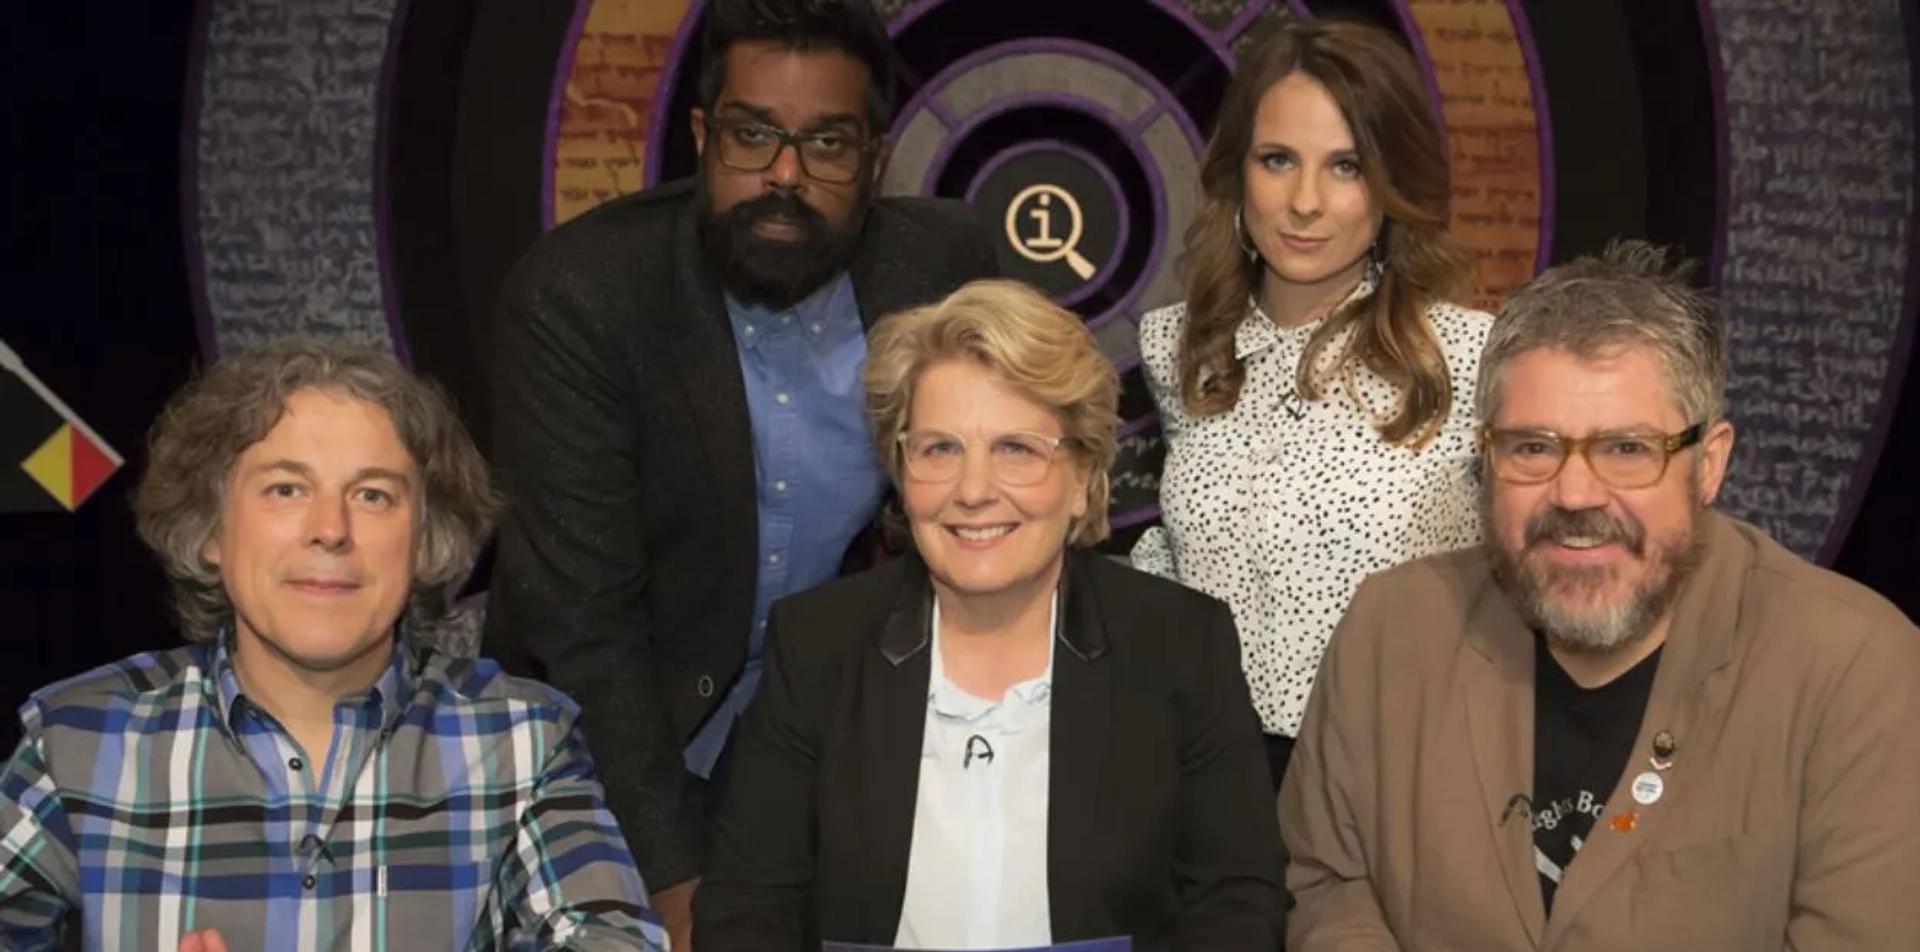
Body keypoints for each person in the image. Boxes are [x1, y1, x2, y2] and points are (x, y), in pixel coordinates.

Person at [480, 0, 999, 945]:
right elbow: (585, 629)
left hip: (832, 747)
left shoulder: (947, 266)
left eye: (827, 145)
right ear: (700, 138)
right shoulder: (583, 300)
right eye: (753, 136)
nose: (784, 176)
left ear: (876, 163)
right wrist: (679, 894)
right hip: (618, 752)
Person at [1280, 241, 1920, 950]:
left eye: (1626, 449)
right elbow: (1329, 884)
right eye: (1532, 448)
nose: (1576, 494)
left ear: (1708, 466)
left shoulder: (1858, 669)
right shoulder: (1390, 628)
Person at [0, 340, 666, 951]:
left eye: (373, 495)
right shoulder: (78, 738)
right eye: (286, 489)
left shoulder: (522, 740)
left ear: (425, 541)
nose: (330, 530)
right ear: (212, 529)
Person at [694, 279, 1284, 951]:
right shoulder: (818, 645)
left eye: (1017, 449)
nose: (973, 491)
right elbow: (747, 903)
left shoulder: (1180, 644)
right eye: (940, 449)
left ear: (1084, 478)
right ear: (900, 468)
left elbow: (1236, 901)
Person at [1130, 15, 1494, 791]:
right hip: (1200, 778)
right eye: (1277, 160)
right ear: (1237, 172)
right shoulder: (1177, 351)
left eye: (1346, 167)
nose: (1304, 202)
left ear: (1391, 188)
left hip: (1394, 778)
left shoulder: (1471, 357)